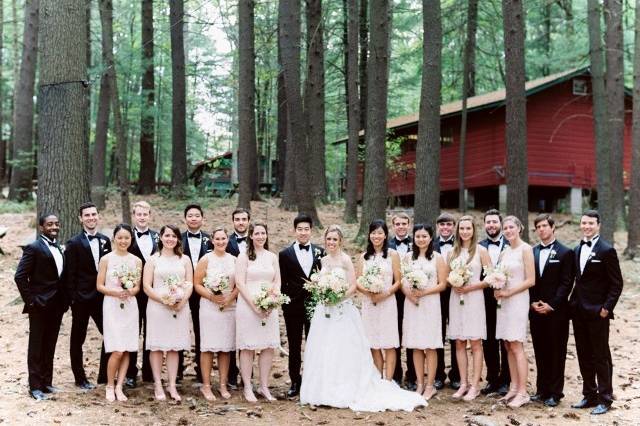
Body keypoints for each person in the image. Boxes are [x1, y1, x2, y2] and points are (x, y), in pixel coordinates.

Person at [300, 225, 426, 412]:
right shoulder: (323, 260)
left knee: (344, 348)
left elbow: (353, 284)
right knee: (324, 347)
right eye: (329, 239)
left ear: (340, 241)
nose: (331, 242)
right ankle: (323, 390)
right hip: (325, 310)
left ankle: (349, 387)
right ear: (325, 240)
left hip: (342, 308)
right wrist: (323, 294)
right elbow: (319, 281)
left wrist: (339, 297)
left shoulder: (345, 260)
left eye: (335, 239)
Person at [569, 210, 623, 415]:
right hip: (579, 311)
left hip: (598, 312)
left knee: (601, 356)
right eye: (584, 223)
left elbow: (616, 283)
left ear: (598, 225)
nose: (586, 226)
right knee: (583, 354)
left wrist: (606, 308)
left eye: (591, 223)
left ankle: (605, 398)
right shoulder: (576, 249)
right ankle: (589, 395)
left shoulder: (607, 250)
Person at [14, 213, 67, 401]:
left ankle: (46, 382)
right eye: (50, 224)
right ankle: (35, 387)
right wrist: (31, 301)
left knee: (50, 344)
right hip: (39, 306)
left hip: (57, 305)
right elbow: (20, 276)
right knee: (36, 346)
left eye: (56, 224)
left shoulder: (59, 248)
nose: (54, 227)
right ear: (41, 227)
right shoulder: (33, 248)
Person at [144, 225, 193, 401]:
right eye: (166, 235)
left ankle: (172, 385)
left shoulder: (185, 260)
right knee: (157, 346)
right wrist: (164, 300)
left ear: (178, 239)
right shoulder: (153, 260)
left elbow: (189, 283)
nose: (170, 239)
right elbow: (147, 286)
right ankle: (158, 384)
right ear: (161, 238)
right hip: (158, 307)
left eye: (173, 236)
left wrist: (181, 301)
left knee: (173, 346)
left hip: (179, 308)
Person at [64, 202, 111, 389]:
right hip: (81, 299)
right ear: (80, 219)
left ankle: (103, 375)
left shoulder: (105, 240)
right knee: (78, 339)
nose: (91, 218)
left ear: (98, 216)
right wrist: (73, 299)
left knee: (109, 335)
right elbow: (70, 274)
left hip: (101, 298)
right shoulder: (73, 243)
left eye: (94, 214)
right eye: (87, 215)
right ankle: (80, 378)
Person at [529, 214, 574, 407]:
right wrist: (532, 302)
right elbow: (530, 281)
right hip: (536, 310)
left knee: (556, 351)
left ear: (553, 227)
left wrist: (552, 304)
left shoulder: (565, 252)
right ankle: (542, 390)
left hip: (557, 312)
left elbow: (567, 283)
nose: (541, 229)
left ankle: (555, 393)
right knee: (540, 351)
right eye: (538, 226)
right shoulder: (532, 252)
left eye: (545, 226)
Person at [278, 214, 325, 397]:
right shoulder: (284, 254)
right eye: (300, 229)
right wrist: (285, 305)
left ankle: (314, 381)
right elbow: (282, 282)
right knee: (294, 345)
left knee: (314, 344)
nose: (303, 232)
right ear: (294, 231)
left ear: (311, 231)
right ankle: (295, 381)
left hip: (314, 306)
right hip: (293, 308)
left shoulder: (320, 252)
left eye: (306, 229)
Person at [445, 215, 491, 401]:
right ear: (458, 231)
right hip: (456, 299)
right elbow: (446, 276)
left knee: (475, 342)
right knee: (459, 341)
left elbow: (491, 277)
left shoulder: (481, 251)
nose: (465, 232)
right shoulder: (451, 252)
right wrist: (453, 283)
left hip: (474, 299)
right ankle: (463, 383)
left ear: (473, 230)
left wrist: (471, 286)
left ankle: (475, 385)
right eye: (462, 229)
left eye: (468, 229)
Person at [235, 223, 282, 402]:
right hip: (248, 306)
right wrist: (255, 306)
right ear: (251, 236)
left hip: (269, 307)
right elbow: (240, 283)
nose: (261, 236)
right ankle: (248, 386)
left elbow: (277, 281)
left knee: (268, 346)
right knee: (248, 347)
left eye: (263, 233)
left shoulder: (272, 257)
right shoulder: (243, 257)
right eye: (257, 233)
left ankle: (264, 386)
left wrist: (272, 300)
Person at [96, 224, 142, 402]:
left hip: (130, 305)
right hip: (112, 305)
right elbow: (99, 285)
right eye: (120, 237)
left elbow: (137, 286)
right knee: (117, 349)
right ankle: (109, 385)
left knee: (128, 348)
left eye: (127, 238)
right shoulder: (106, 259)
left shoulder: (136, 261)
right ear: (114, 238)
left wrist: (131, 291)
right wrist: (115, 292)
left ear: (131, 240)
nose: (123, 241)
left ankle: (119, 386)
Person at [401, 224, 447, 400]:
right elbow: (403, 282)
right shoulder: (407, 258)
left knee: (430, 345)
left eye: (424, 236)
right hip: (412, 304)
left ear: (430, 238)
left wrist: (424, 292)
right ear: (414, 238)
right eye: (418, 236)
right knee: (416, 345)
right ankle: (419, 383)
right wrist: (411, 296)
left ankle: (430, 385)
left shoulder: (437, 258)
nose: (421, 239)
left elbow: (442, 284)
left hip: (430, 303)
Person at [494, 216, 535, 408]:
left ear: (520, 228)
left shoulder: (525, 249)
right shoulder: (504, 252)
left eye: (511, 227)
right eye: (505, 228)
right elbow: (498, 275)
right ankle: (513, 387)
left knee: (517, 345)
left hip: (517, 300)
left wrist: (509, 291)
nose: (508, 230)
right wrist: (497, 286)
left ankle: (523, 392)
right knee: (507, 345)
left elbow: (530, 280)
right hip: (503, 301)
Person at [193, 227, 238, 401]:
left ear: (228, 240)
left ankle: (222, 384)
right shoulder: (205, 259)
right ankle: (206, 385)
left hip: (229, 306)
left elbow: (238, 284)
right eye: (217, 239)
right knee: (208, 347)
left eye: (223, 238)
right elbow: (197, 284)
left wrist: (230, 298)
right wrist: (212, 296)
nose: (220, 242)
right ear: (212, 240)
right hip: (209, 307)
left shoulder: (234, 260)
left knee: (225, 347)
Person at [356, 220, 402, 380]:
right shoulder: (364, 257)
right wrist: (370, 293)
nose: (377, 236)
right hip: (369, 304)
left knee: (388, 344)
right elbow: (358, 281)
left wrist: (385, 293)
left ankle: (388, 381)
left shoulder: (393, 255)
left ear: (385, 235)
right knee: (373, 344)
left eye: (380, 233)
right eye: (374, 233)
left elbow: (398, 281)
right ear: (369, 235)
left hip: (388, 303)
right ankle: (377, 380)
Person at [125, 201, 159, 387]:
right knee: (133, 330)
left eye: (145, 214)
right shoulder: (126, 236)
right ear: (134, 215)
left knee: (151, 331)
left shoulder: (158, 237)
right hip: (132, 292)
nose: (142, 217)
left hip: (153, 292)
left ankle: (148, 371)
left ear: (150, 215)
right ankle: (130, 372)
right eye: (139, 214)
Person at [478, 209, 511, 395]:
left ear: (500, 224)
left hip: (507, 299)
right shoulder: (480, 247)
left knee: (505, 339)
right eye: (488, 222)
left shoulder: (511, 244)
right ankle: (492, 379)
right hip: (485, 301)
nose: (491, 225)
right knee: (488, 340)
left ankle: (506, 379)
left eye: (494, 222)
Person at [179, 204, 212, 381]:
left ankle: (202, 370)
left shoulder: (210, 240)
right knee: (179, 328)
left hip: (203, 292)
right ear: (185, 219)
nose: (193, 218)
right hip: (180, 292)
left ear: (202, 219)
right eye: (190, 215)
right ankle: (177, 370)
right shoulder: (176, 239)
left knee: (202, 330)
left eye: (197, 215)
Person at [387, 212, 416, 390]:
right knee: (395, 334)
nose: (401, 226)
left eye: (404, 223)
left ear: (409, 224)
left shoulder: (419, 241)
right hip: (393, 296)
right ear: (393, 226)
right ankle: (396, 374)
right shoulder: (387, 245)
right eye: (398, 224)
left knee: (412, 333)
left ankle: (412, 375)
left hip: (414, 295)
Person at [433, 212, 460, 390]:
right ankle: (439, 375)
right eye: (442, 225)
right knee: (438, 334)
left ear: (453, 226)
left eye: (449, 224)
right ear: (437, 227)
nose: (445, 228)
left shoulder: (461, 245)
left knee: (457, 334)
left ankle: (457, 375)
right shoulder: (430, 244)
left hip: (457, 294)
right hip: (435, 295)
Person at [224, 207, 250, 388]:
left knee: (249, 336)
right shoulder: (226, 241)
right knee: (231, 335)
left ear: (248, 221)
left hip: (252, 295)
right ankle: (231, 376)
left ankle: (247, 375)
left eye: (244, 219)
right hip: (231, 295)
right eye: (237, 219)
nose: (241, 222)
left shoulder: (257, 240)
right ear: (233, 222)